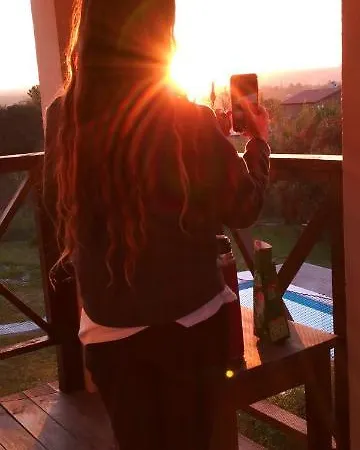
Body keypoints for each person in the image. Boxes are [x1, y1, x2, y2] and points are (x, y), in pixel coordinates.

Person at [43, 0, 270, 449]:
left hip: (110, 335)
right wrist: (258, 143)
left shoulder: (62, 118)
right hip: (191, 326)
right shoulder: (187, 120)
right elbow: (243, 207)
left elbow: (60, 206)